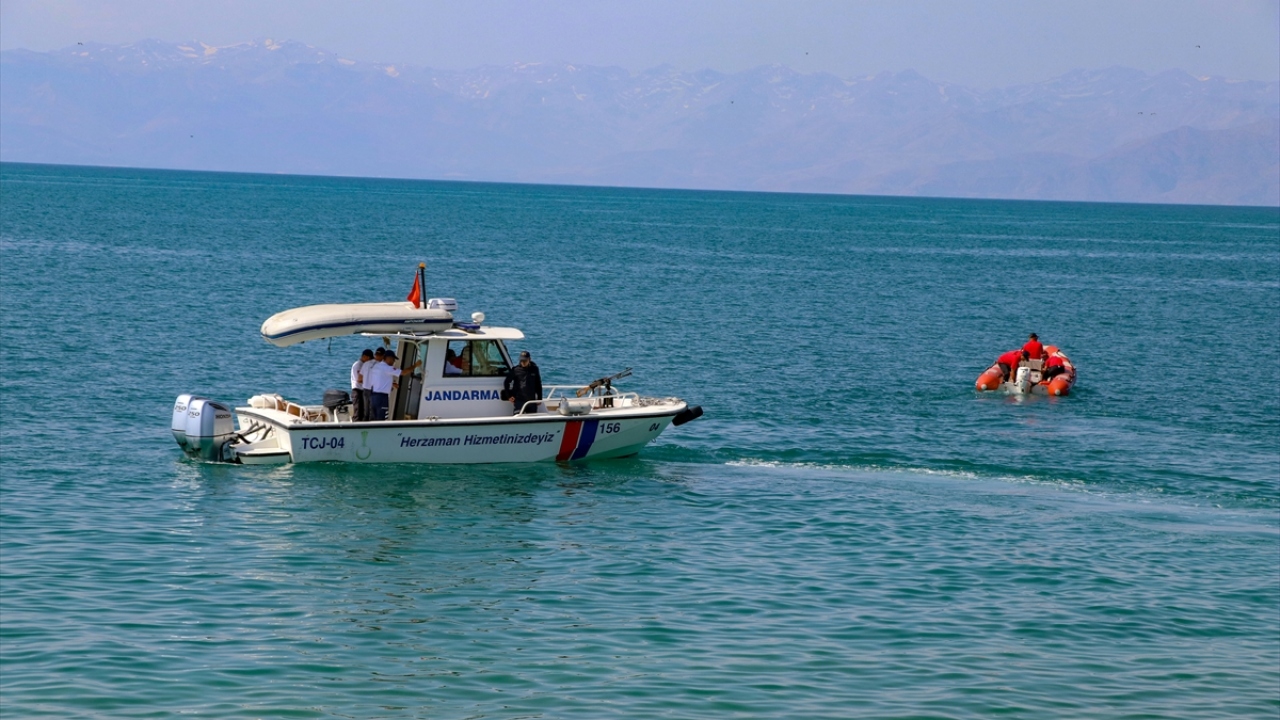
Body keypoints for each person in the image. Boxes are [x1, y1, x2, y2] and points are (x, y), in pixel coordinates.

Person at [368, 350, 421, 421]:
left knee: (373, 418)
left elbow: (379, 379)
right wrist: (415, 365)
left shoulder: (376, 366)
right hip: (382, 397)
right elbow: (403, 373)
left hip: (373, 396)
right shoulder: (387, 368)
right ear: (388, 358)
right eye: (393, 360)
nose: (393, 362)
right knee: (382, 420)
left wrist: (391, 384)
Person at [503, 350, 543, 415]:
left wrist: (539, 398)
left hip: (531, 401)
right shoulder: (516, 370)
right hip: (519, 400)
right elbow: (506, 382)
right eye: (521, 360)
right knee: (517, 419)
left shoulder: (534, 369)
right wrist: (509, 396)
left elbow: (538, 384)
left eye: (525, 361)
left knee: (532, 421)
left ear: (529, 359)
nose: (523, 362)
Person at [358, 348, 384, 421]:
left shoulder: (366, 364)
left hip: (365, 390)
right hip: (374, 391)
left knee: (366, 412)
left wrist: (367, 380)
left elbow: (359, 379)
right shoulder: (381, 365)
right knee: (373, 412)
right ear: (382, 356)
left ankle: (364, 427)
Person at [350, 349, 373, 421]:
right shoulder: (358, 365)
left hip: (363, 391)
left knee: (364, 412)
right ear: (364, 356)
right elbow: (359, 379)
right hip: (357, 391)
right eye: (369, 358)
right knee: (358, 412)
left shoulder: (364, 365)